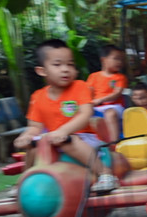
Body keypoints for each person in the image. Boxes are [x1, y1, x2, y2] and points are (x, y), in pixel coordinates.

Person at [14, 40, 120, 193]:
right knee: (33, 146)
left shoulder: (80, 87)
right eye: (57, 65)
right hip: (53, 139)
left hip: (83, 138)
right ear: (42, 71)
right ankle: (24, 180)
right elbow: (34, 127)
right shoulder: (38, 96)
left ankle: (105, 173)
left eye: (70, 64)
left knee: (68, 141)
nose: (65, 69)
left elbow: (86, 114)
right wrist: (26, 136)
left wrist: (63, 131)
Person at [86, 45, 127, 143]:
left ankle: (114, 142)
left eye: (121, 59)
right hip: (96, 106)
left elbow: (117, 93)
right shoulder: (93, 76)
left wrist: (101, 100)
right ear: (104, 60)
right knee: (84, 113)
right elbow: (88, 93)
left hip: (115, 106)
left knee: (110, 113)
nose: (119, 62)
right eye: (116, 59)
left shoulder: (120, 77)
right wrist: (89, 103)